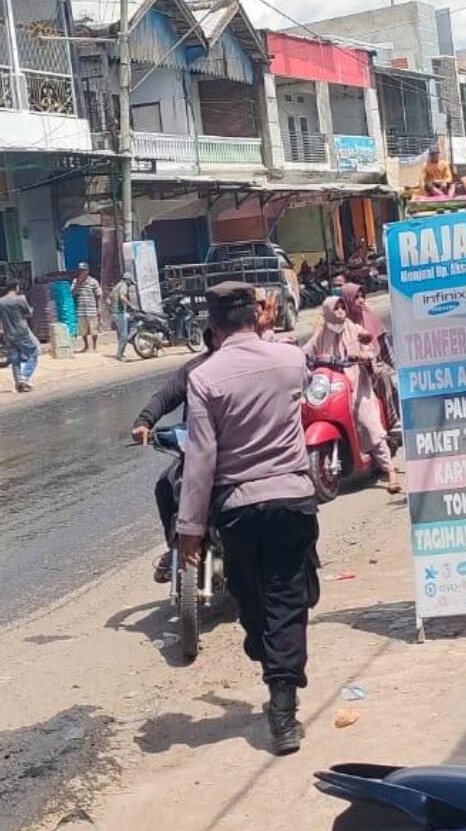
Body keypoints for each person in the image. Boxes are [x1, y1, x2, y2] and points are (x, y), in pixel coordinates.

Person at [177, 282, 319, 755]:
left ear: (213, 326)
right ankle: (281, 695)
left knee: (255, 603)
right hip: (292, 500)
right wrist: (270, 333)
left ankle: (281, 705)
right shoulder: (289, 358)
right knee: (284, 602)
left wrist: (189, 530)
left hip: (237, 510)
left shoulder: (205, 377)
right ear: (254, 316)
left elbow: (200, 458)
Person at [131, 328, 220, 583]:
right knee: (165, 485)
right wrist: (144, 422)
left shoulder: (245, 365)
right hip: (196, 454)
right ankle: (174, 545)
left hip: (234, 454)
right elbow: (165, 397)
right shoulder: (194, 369)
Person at [304, 297, 401, 494]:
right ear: (328, 311)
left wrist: (365, 356)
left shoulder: (353, 328)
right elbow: (306, 351)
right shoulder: (321, 333)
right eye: (335, 308)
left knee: (367, 422)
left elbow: (369, 349)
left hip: (357, 384)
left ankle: (390, 470)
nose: (340, 311)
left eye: (342, 307)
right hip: (331, 384)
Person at [340, 283, 399, 432]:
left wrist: (397, 369)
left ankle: (394, 422)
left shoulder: (369, 316)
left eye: (362, 296)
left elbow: (384, 348)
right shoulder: (340, 324)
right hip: (349, 371)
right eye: (356, 297)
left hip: (373, 368)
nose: (361, 300)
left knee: (385, 376)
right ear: (346, 300)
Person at [0, 280, 39, 393]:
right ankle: (25, 377)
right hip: (21, 332)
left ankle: (18, 382)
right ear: (17, 287)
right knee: (33, 353)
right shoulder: (20, 299)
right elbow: (29, 313)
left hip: (8, 334)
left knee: (15, 360)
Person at [71, 263, 103, 353]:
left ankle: (94, 346)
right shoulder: (75, 281)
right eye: (80, 270)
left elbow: (99, 295)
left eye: (83, 270)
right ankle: (86, 346)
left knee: (94, 329)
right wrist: (78, 283)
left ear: (87, 271)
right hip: (81, 309)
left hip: (91, 309)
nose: (81, 272)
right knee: (83, 330)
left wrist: (99, 308)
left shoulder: (93, 281)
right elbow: (73, 293)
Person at [110, 272, 138, 361]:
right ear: (128, 280)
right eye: (130, 283)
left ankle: (121, 352)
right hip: (119, 313)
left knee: (120, 334)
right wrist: (131, 305)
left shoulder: (116, 286)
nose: (130, 285)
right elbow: (122, 297)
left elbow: (109, 299)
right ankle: (120, 355)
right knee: (124, 335)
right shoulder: (123, 285)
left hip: (115, 313)